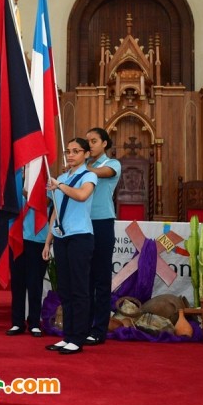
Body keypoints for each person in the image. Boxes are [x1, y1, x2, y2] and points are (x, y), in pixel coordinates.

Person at [43, 138, 98, 355]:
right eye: (68, 151)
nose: (71, 155)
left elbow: (82, 195)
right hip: (61, 237)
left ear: (86, 154)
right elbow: (55, 212)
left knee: (79, 289)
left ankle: (78, 337)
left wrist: (60, 186)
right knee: (65, 289)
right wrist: (48, 241)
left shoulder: (89, 176)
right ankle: (67, 335)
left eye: (76, 151)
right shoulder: (62, 178)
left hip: (80, 237)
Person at [84, 127, 121, 345]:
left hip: (102, 223)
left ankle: (99, 329)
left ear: (104, 143)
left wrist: (81, 167)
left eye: (94, 141)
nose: (89, 145)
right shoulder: (83, 165)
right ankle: (83, 325)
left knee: (101, 278)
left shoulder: (112, 164)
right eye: (87, 141)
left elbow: (102, 173)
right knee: (85, 278)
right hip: (81, 224)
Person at [6, 198, 49, 337]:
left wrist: (29, 192)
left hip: (38, 236)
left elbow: (46, 202)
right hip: (16, 235)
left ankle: (34, 322)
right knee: (17, 282)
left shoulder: (45, 185)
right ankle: (17, 322)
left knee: (35, 282)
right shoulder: (17, 184)